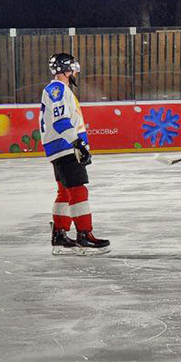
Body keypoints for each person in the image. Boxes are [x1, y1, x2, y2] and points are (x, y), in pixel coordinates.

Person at [40, 52, 111, 256]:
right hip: (65, 147)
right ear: (65, 70)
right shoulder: (58, 88)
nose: (75, 72)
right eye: (72, 68)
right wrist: (77, 143)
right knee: (79, 191)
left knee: (64, 191)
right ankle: (84, 235)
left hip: (59, 147)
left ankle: (60, 234)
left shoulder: (58, 89)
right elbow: (61, 120)